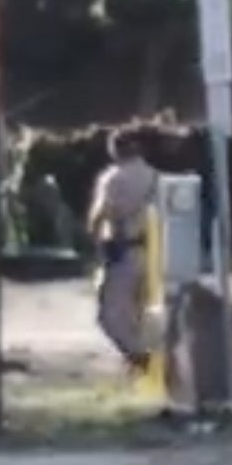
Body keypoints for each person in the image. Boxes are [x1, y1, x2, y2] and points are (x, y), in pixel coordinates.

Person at [84, 128, 160, 376]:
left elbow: (100, 215)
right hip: (152, 251)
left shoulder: (113, 178)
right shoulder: (155, 177)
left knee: (108, 315)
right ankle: (145, 361)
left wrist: (93, 244)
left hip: (121, 251)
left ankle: (139, 358)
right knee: (142, 313)